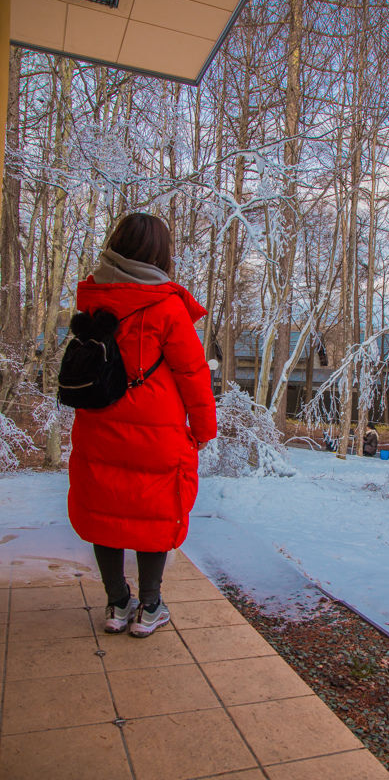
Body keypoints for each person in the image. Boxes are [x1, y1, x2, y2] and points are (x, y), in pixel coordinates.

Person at [68, 213, 217, 637]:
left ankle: (117, 605)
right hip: (157, 430)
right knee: (153, 512)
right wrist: (204, 429)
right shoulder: (168, 306)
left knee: (105, 510)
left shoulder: (95, 300)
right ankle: (149, 608)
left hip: (99, 424)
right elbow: (193, 374)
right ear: (159, 254)